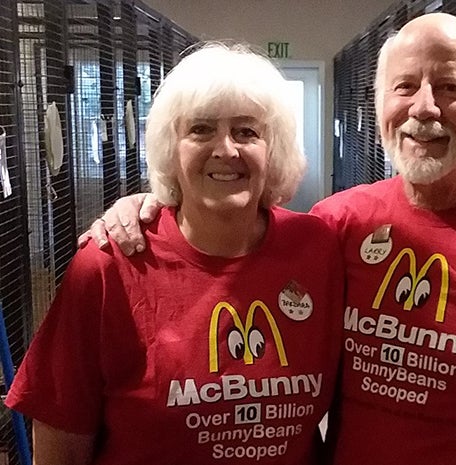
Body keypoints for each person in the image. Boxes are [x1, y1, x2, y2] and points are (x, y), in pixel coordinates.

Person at [81, 13, 456, 465]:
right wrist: (148, 205)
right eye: (405, 87)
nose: (425, 107)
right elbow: (227, 228)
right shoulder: (337, 225)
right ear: (380, 104)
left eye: (450, 87)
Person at [8, 43, 343, 465]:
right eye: (201, 129)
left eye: (247, 131)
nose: (226, 150)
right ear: (171, 147)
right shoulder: (112, 262)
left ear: (273, 150)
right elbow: (61, 443)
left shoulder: (319, 249)